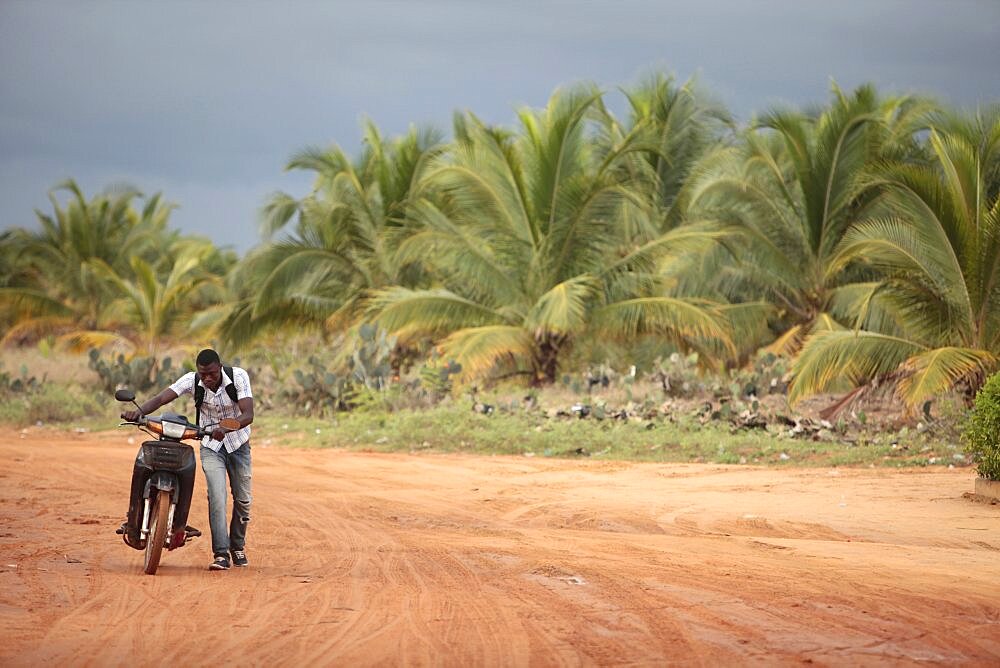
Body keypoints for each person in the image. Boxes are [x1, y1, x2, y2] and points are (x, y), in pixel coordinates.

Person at [121, 348, 255, 571]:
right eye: (203, 374)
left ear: (220, 367)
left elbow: (247, 414)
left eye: (211, 373)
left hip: (238, 443)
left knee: (243, 500)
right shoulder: (192, 381)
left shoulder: (238, 376)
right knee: (217, 496)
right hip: (211, 445)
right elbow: (162, 398)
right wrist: (139, 412)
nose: (207, 378)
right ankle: (221, 554)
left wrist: (227, 427)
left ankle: (237, 545)